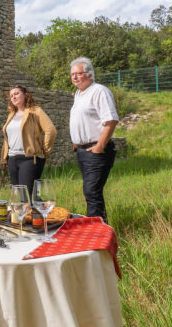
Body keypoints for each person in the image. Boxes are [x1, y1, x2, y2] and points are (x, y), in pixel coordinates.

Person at [69, 57, 119, 224]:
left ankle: (96, 233)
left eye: (79, 73)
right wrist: (78, 141)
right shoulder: (79, 94)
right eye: (72, 74)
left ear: (89, 75)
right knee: (91, 192)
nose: (75, 77)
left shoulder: (99, 91)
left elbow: (110, 120)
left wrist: (99, 146)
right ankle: (99, 227)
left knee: (92, 191)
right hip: (83, 150)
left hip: (96, 150)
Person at [0, 85, 57, 196]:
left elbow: (51, 130)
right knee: (20, 197)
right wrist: (4, 158)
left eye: (16, 94)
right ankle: (35, 213)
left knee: (28, 196)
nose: (13, 97)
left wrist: (44, 151)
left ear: (25, 95)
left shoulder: (35, 111)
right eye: (11, 96)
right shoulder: (11, 115)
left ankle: (36, 212)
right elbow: (7, 139)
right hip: (12, 159)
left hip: (29, 159)